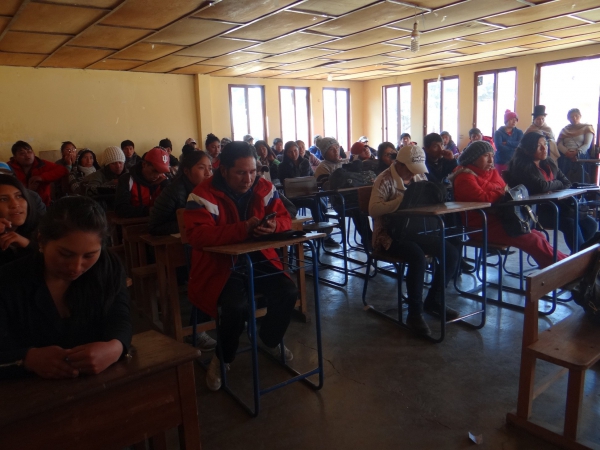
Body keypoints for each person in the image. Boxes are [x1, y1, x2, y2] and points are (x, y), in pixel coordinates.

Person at [184, 141, 297, 391]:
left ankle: (270, 338)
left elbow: (285, 217)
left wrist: (274, 226)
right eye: (241, 172)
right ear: (222, 170)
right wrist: (243, 228)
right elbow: (197, 236)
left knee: (288, 291)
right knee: (235, 306)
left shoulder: (264, 187)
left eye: (253, 171)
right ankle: (222, 358)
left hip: (258, 257)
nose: (248, 179)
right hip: (221, 266)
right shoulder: (202, 194)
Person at [0, 196, 132, 379]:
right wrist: (27, 359)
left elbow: (119, 315)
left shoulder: (107, 266)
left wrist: (115, 347)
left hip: (98, 383)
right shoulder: (9, 280)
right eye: (65, 254)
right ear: (41, 240)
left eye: (89, 256)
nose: (76, 267)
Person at [369, 145, 460, 337]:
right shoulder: (384, 179)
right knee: (417, 257)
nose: (414, 174)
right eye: (410, 169)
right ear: (399, 164)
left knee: (450, 252)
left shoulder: (419, 177)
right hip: (388, 235)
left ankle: (434, 300)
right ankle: (415, 313)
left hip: (415, 230)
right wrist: (400, 202)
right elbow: (373, 210)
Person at [450, 141, 567, 269]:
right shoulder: (464, 176)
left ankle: (565, 264)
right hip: (482, 226)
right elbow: (484, 198)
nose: (490, 160)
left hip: (504, 220)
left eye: (492, 156)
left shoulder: (492, 172)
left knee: (538, 235)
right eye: (486, 156)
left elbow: (507, 192)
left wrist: (501, 192)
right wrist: (501, 192)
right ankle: (561, 270)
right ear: (473, 158)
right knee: (532, 240)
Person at [505, 132, 598, 253]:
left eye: (545, 144)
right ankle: (580, 258)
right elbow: (541, 186)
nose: (544, 148)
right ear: (528, 149)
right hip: (535, 211)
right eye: (539, 146)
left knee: (590, 224)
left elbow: (567, 182)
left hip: (556, 207)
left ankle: (583, 256)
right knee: (570, 223)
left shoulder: (548, 162)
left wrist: (553, 185)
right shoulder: (520, 166)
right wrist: (556, 183)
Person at [150, 150, 212, 236]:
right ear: (186, 171)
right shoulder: (173, 192)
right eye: (201, 168)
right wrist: (188, 224)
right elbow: (154, 226)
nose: (208, 173)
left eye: (210, 168)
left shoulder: (212, 190)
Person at [7, 140, 69, 206]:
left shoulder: (41, 164)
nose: (27, 155)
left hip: (43, 204)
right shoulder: (8, 168)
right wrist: (28, 190)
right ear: (15, 157)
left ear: (34, 153)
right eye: (22, 153)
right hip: (19, 204)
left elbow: (63, 170)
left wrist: (42, 177)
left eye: (29, 151)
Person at [115, 147, 171, 218]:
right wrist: (148, 211)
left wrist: (166, 185)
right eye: (154, 171)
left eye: (161, 171)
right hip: (133, 225)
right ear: (144, 164)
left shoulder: (165, 180)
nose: (157, 175)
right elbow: (121, 209)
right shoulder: (126, 180)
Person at [0, 175, 39, 267]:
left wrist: (28, 245)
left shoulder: (45, 230)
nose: (15, 204)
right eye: (3, 199)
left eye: (19, 196)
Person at [557, 108, 596, 182]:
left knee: (579, 161)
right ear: (568, 118)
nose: (574, 118)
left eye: (576, 116)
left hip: (581, 153)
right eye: (571, 116)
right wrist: (566, 152)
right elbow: (559, 144)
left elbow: (587, 144)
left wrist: (577, 152)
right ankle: (564, 188)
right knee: (563, 161)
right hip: (566, 153)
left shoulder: (587, 127)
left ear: (580, 116)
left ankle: (581, 190)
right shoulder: (565, 130)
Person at [494, 109, 523, 174]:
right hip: (502, 161)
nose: (514, 122)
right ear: (506, 120)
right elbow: (499, 147)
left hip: (515, 160)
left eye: (515, 120)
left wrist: (507, 142)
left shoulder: (519, 132)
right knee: (502, 181)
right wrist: (514, 148)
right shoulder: (498, 133)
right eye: (511, 119)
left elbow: (521, 144)